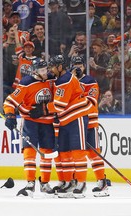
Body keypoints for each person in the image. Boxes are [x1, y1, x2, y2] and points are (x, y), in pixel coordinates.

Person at [31, 55, 92, 198]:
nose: (50, 70)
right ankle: (69, 181)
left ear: (60, 67)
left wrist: (43, 109)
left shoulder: (65, 80)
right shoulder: (60, 79)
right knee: (64, 153)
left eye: (52, 67)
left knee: (77, 152)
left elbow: (60, 105)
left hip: (77, 117)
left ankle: (81, 183)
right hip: (65, 120)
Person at [3, 60, 55, 197]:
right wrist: (9, 115)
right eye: (42, 70)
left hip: (48, 121)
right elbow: (10, 101)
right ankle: (30, 182)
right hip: (30, 121)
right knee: (29, 152)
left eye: (46, 69)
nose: (45, 72)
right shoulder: (26, 83)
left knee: (47, 152)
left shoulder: (52, 79)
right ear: (35, 72)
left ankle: (45, 183)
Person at [70, 56, 110, 197]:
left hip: (90, 122)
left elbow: (90, 100)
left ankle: (102, 181)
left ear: (84, 67)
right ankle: (77, 181)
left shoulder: (90, 81)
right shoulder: (68, 82)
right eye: (75, 65)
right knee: (76, 154)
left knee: (94, 154)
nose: (78, 67)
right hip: (74, 123)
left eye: (80, 65)